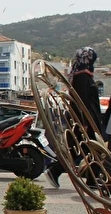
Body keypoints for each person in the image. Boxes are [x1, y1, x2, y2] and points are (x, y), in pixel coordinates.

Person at [44, 46, 104, 188]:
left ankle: (92, 179)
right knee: (88, 149)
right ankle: (56, 170)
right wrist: (84, 122)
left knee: (83, 149)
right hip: (85, 121)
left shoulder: (81, 75)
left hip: (84, 120)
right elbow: (81, 101)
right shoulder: (82, 77)